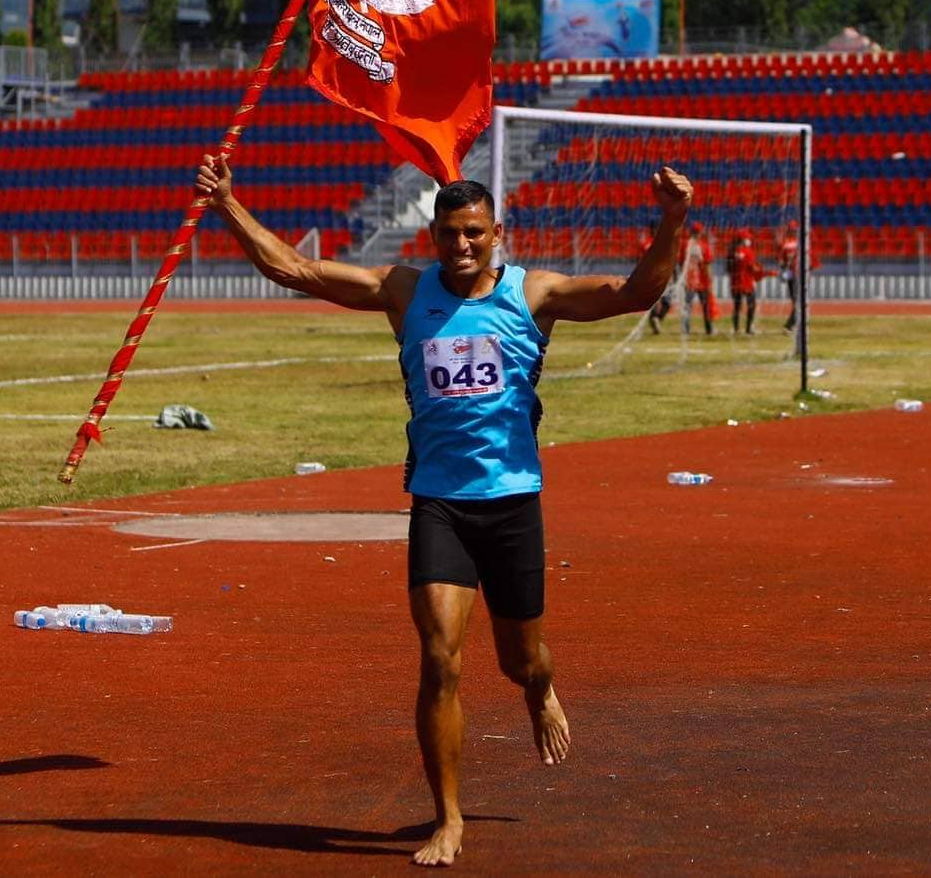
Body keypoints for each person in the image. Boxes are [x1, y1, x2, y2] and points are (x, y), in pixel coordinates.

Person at [194, 152, 695, 868]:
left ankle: (541, 688)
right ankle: (448, 817)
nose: (459, 247)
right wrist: (229, 207)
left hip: (513, 503)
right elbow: (298, 271)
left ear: (497, 233)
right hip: (439, 505)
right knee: (439, 659)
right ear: (431, 237)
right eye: (447, 235)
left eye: (472, 234)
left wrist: (672, 219)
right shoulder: (406, 291)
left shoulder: (534, 295)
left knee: (520, 661)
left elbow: (631, 292)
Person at [679, 221, 715, 335]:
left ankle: (686, 330)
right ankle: (709, 329)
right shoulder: (704, 246)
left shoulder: (685, 245)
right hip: (702, 280)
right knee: (706, 306)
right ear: (700, 232)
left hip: (688, 280)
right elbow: (708, 264)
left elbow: (681, 263)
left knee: (687, 306)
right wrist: (710, 280)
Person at [726, 231, 762, 335]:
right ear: (744, 240)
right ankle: (748, 328)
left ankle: (736, 329)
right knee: (752, 305)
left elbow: (728, 268)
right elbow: (752, 267)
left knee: (737, 306)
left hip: (735, 283)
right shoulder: (748, 252)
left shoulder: (731, 252)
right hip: (747, 283)